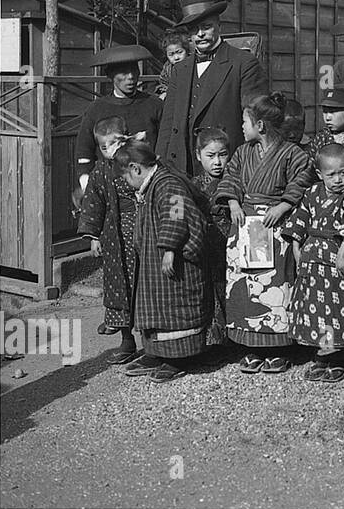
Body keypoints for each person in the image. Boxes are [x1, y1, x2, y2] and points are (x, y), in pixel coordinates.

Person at [216, 92, 315, 375]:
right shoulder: (242, 152)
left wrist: (284, 205)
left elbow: (303, 179)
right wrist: (233, 201)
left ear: (260, 125)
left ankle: (279, 348)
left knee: (274, 286)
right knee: (247, 287)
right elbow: (231, 176)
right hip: (246, 224)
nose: (242, 128)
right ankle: (252, 347)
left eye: (245, 122)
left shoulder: (292, 153)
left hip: (275, 227)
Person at [114, 139, 215, 383]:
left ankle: (178, 357)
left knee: (174, 307)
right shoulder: (153, 185)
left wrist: (170, 247)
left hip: (174, 260)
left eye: (126, 177)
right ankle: (157, 352)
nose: (127, 183)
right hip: (155, 262)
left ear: (136, 169)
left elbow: (176, 214)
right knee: (157, 306)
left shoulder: (168, 184)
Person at [282, 143, 344, 383]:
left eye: (343, 172)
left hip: (336, 259)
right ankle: (323, 353)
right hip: (312, 259)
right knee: (317, 309)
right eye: (331, 175)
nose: (338, 179)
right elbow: (300, 219)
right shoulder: (312, 192)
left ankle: (340, 356)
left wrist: (343, 252)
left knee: (337, 307)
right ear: (320, 174)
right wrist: (297, 248)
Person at [157, 0, 268, 177]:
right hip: (183, 163)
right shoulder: (180, 69)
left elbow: (255, 119)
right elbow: (168, 122)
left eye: (206, 27)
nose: (200, 34)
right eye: (193, 30)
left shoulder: (243, 63)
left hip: (225, 162)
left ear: (219, 26)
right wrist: (160, 162)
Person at [76, 117, 140, 365]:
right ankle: (126, 339)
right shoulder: (100, 172)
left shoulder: (139, 163)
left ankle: (154, 340)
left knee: (146, 283)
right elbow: (93, 203)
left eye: (114, 143)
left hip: (143, 232)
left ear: (126, 138)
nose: (110, 150)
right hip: (114, 237)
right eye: (104, 147)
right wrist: (93, 237)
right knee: (119, 284)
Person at [74, 45, 163, 186]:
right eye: (123, 73)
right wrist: (85, 180)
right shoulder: (97, 109)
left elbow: (164, 144)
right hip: (108, 183)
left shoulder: (154, 105)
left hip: (148, 179)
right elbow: (84, 150)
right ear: (110, 75)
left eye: (134, 71)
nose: (131, 77)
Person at [189, 126, 232, 349]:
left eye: (222, 155)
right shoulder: (193, 186)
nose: (217, 162)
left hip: (230, 245)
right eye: (211, 156)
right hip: (204, 244)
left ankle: (235, 340)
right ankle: (211, 342)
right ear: (198, 155)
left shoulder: (235, 182)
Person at [156, 30, 191, 99]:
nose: (176, 57)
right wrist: (164, 92)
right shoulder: (167, 67)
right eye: (171, 54)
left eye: (180, 52)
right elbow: (163, 83)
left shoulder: (194, 63)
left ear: (186, 50)